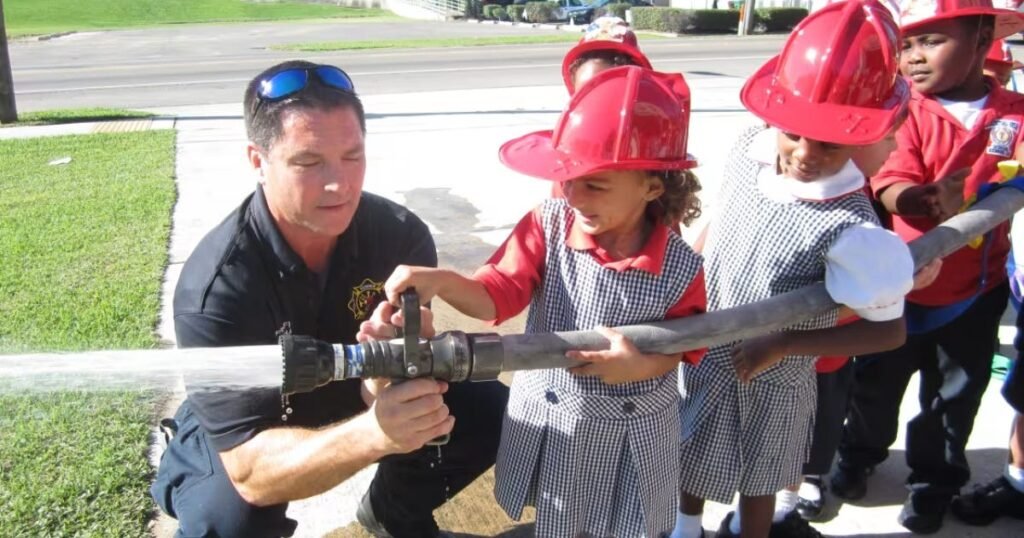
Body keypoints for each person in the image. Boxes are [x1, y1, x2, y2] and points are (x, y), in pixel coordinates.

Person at [150, 60, 509, 538]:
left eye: (352, 156)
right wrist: (374, 434)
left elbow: (397, 377)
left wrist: (395, 372)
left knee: (488, 409)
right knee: (226, 518)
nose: (339, 184)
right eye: (309, 162)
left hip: (354, 388)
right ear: (258, 161)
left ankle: (392, 513)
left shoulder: (399, 235)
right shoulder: (215, 288)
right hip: (256, 417)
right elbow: (250, 473)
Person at [385, 65, 708, 537]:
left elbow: (684, 343)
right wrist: (444, 282)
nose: (574, 193)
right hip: (560, 417)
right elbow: (497, 293)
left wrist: (641, 366)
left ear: (652, 186)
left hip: (633, 431)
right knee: (559, 519)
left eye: (595, 183)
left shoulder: (680, 266)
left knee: (624, 526)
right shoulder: (548, 226)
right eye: (568, 176)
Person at [669, 2, 917, 537]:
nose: (804, 153)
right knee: (693, 452)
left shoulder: (855, 228)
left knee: (760, 478)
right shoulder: (747, 151)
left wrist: (784, 344)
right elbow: (721, 227)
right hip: (711, 351)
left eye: (829, 142)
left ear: (864, 134)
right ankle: (685, 529)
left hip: (780, 377)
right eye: (793, 133)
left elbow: (890, 331)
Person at [832, 0, 1024, 533]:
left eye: (931, 41)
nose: (914, 58)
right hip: (899, 287)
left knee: (955, 395)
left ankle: (933, 483)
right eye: (906, 46)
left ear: (983, 33)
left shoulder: (1015, 113)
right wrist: (921, 200)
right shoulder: (904, 109)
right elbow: (889, 182)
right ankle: (856, 457)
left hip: (977, 290)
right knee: (874, 386)